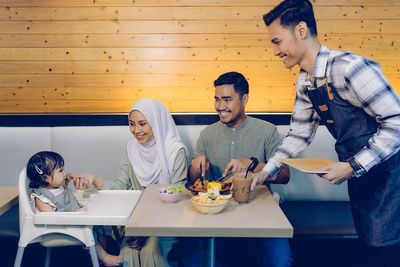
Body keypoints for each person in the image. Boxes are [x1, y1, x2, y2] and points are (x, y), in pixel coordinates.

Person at [251, 1, 400, 266]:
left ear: (300, 30)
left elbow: (396, 122)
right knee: (371, 249)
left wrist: (353, 166)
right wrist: (266, 172)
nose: (275, 51)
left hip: (391, 176)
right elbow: (298, 134)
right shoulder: (305, 81)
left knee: (386, 252)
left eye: (277, 42)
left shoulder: (350, 68)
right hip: (360, 177)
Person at [188, 71, 292, 267]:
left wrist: (253, 164)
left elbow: (285, 175)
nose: (220, 106)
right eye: (217, 99)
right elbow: (193, 181)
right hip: (216, 212)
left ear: (244, 99)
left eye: (227, 99)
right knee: (192, 260)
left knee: (280, 261)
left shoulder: (267, 131)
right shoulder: (206, 135)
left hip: (260, 209)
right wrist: (196, 166)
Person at [74, 98, 188, 267]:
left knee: (152, 253)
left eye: (143, 124)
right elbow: (120, 185)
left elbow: (176, 192)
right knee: (127, 255)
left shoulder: (175, 151)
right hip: (136, 223)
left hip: (166, 222)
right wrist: (94, 179)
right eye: (132, 124)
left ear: (156, 123)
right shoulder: (132, 148)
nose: (136, 131)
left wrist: (146, 229)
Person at [27, 151, 123, 267]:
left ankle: (100, 255)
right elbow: (52, 218)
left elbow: (63, 190)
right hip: (60, 227)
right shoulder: (42, 197)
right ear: (45, 178)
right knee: (89, 231)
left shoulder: (57, 186)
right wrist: (74, 214)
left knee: (98, 226)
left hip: (74, 219)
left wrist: (68, 178)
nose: (64, 173)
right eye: (60, 171)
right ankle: (105, 257)